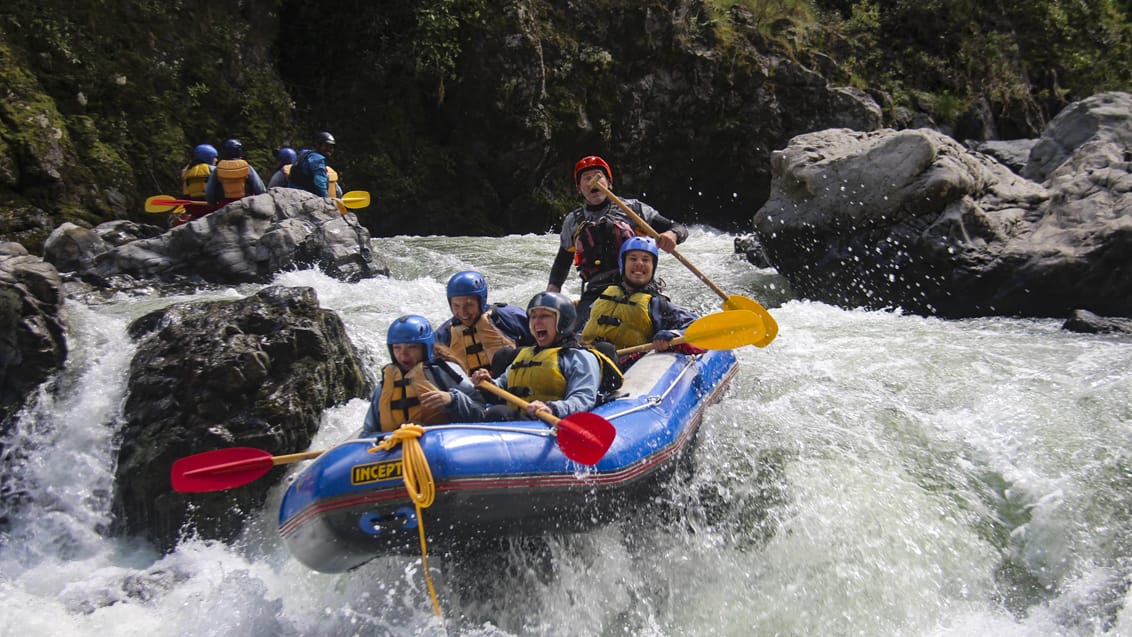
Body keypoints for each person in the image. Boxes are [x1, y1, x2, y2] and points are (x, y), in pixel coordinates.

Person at [548, 155, 690, 325]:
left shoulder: (634, 209)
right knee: (578, 335)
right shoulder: (573, 221)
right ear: (579, 188)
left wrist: (672, 235)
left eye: (597, 176)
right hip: (596, 291)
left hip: (637, 287)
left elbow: (679, 228)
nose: (592, 181)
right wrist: (552, 291)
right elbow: (562, 262)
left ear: (609, 182)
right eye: (586, 178)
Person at [471, 292, 619, 421]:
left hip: (549, 423)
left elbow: (583, 398)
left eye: (544, 316)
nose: (537, 322)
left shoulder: (579, 358)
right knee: (490, 410)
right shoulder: (525, 355)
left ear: (563, 321)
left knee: (499, 413)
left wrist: (552, 408)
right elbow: (502, 385)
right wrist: (488, 383)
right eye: (533, 317)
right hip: (522, 421)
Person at [580, 236, 700, 368]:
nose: (639, 263)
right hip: (588, 359)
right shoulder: (604, 295)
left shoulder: (657, 304)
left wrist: (673, 335)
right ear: (623, 264)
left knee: (605, 350)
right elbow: (584, 327)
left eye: (645, 259)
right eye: (633, 258)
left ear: (653, 267)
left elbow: (696, 327)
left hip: (627, 366)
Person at [361, 315, 484, 436]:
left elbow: (480, 412)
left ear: (425, 348)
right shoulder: (384, 385)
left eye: (411, 347)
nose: (403, 355)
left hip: (440, 441)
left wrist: (452, 400)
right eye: (397, 348)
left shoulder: (444, 371)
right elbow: (368, 432)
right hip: (395, 447)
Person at [435, 271, 534, 376]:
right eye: (456, 306)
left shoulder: (510, 317)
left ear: (482, 301)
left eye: (469, 305)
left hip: (512, 383)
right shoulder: (444, 334)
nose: (463, 312)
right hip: (471, 390)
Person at [205, 138, 267, 207]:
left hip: (224, 207)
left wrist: (213, 204)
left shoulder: (217, 169)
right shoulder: (247, 167)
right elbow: (260, 189)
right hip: (246, 205)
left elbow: (209, 192)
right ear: (239, 151)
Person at [288, 131, 340, 197]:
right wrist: (326, 201)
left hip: (292, 193)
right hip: (304, 195)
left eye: (331, 147)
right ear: (318, 145)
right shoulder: (318, 159)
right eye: (326, 146)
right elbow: (320, 182)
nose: (329, 149)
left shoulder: (307, 154)